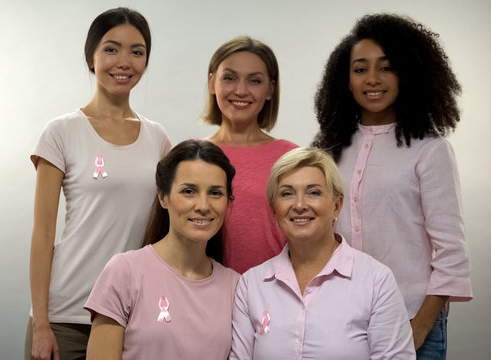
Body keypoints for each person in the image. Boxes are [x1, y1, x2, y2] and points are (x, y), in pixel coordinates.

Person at [312, 13, 473, 358]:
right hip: (339, 318)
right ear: (345, 79)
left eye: (386, 67)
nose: (372, 79)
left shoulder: (430, 150)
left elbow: (451, 253)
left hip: (410, 317)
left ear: (408, 74)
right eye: (360, 69)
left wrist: (420, 326)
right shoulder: (327, 151)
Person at [25, 8, 171, 360]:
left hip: (131, 315)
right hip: (67, 316)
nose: (124, 61)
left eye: (137, 51)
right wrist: (42, 323)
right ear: (92, 56)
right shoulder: (61, 132)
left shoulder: (159, 140)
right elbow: (43, 234)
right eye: (111, 48)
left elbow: (165, 234)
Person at [230, 147, 415, 359]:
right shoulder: (251, 285)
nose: (299, 205)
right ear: (274, 210)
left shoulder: (376, 281)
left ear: (337, 205)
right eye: (287, 193)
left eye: (314, 192)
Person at [85, 140, 240, 360]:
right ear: (162, 197)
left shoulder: (236, 287)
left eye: (215, 193)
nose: (203, 206)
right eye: (189, 191)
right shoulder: (124, 272)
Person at [203, 36, 298, 274]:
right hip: (205, 295)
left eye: (254, 80)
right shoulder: (192, 157)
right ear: (212, 83)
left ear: (270, 90)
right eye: (229, 78)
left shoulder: (292, 158)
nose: (241, 90)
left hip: (277, 295)